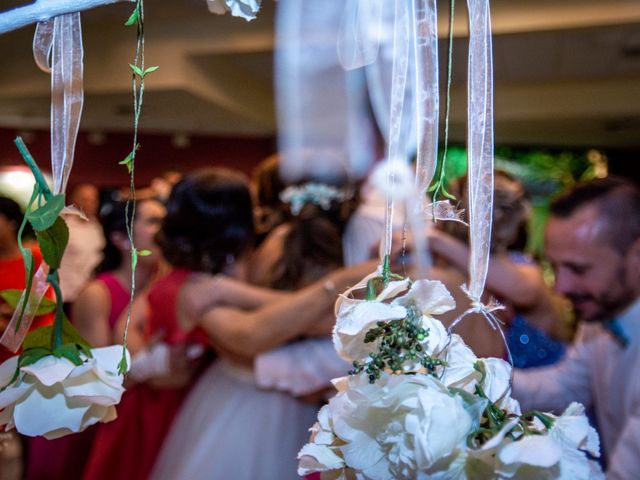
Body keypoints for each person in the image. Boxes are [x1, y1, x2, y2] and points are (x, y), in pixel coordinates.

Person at [149, 168, 374, 480]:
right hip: (241, 400)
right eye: (250, 208)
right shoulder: (193, 287)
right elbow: (250, 334)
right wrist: (333, 287)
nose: (259, 214)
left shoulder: (224, 273)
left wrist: (232, 291)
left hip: (263, 392)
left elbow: (286, 314)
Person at [25, 198, 166, 480]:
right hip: (103, 421)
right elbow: (105, 379)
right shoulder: (98, 294)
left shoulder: (166, 286)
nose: (163, 231)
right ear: (120, 239)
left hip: (151, 411)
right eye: (152, 222)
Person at [512, 177, 640, 479]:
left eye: (578, 269)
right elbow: (565, 387)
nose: (560, 287)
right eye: (555, 268)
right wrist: (472, 373)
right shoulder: (601, 317)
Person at [426, 171, 572, 363]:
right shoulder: (450, 276)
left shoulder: (521, 269)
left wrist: (435, 241)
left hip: (553, 388)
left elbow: (523, 290)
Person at [58, 184, 105, 303]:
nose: (89, 204)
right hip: (65, 295)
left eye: (93, 200)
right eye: (85, 199)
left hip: (88, 295)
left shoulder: (97, 227)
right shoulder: (62, 227)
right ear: (74, 201)